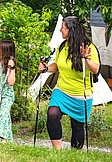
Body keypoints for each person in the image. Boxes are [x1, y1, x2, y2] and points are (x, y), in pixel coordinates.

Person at [38, 15, 100, 149]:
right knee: (52, 114)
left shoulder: (88, 47)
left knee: (77, 127)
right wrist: (47, 68)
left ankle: (74, 154)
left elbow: (95, 69)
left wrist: (85, 58)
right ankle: (58, 151)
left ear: (71, 30)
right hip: (62, 91)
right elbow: (59, 65)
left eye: (63, 27)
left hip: (80, 95)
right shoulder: (62, 47)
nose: (60, 30)